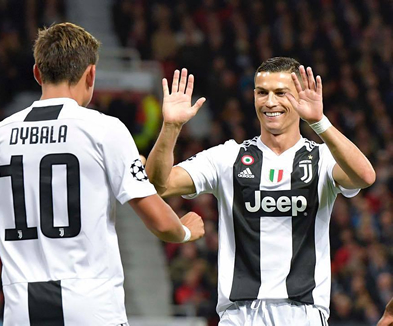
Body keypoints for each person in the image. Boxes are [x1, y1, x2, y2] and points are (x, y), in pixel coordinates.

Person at [0, 22, 205, 326]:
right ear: (91, 74)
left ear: (37, 73)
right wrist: (187, 230)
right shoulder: (104, 129)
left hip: (23, 310)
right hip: (92, 307)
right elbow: (161, 223)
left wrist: (8, 243)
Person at [145, 57, 376, 325]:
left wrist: (319, 122)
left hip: (302, 313)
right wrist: (171, 127)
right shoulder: (228, 157)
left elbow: (364, 176)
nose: (270, 102)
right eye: (261, 92)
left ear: (299, 96)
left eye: (281, 93)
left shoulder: (320, 159)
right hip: (239, 314)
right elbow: (158, 185)